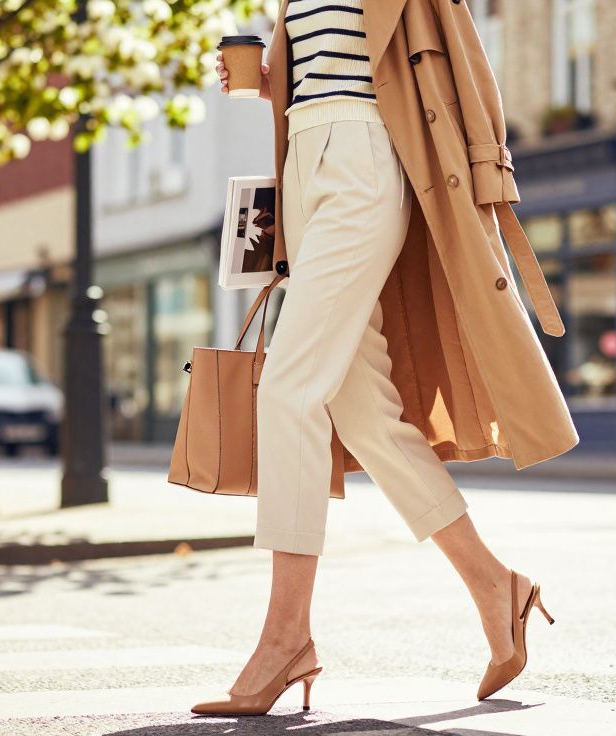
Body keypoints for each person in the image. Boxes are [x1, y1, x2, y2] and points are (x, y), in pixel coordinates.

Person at [192, 0, 553, 716]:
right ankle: (496, 586)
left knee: (288, 391)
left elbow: (463, 65)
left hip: (365, 163)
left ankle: (286, 637)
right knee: (366, 418)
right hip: (304, 163)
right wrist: (269, 81)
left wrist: (489, 176)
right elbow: (329, 74)